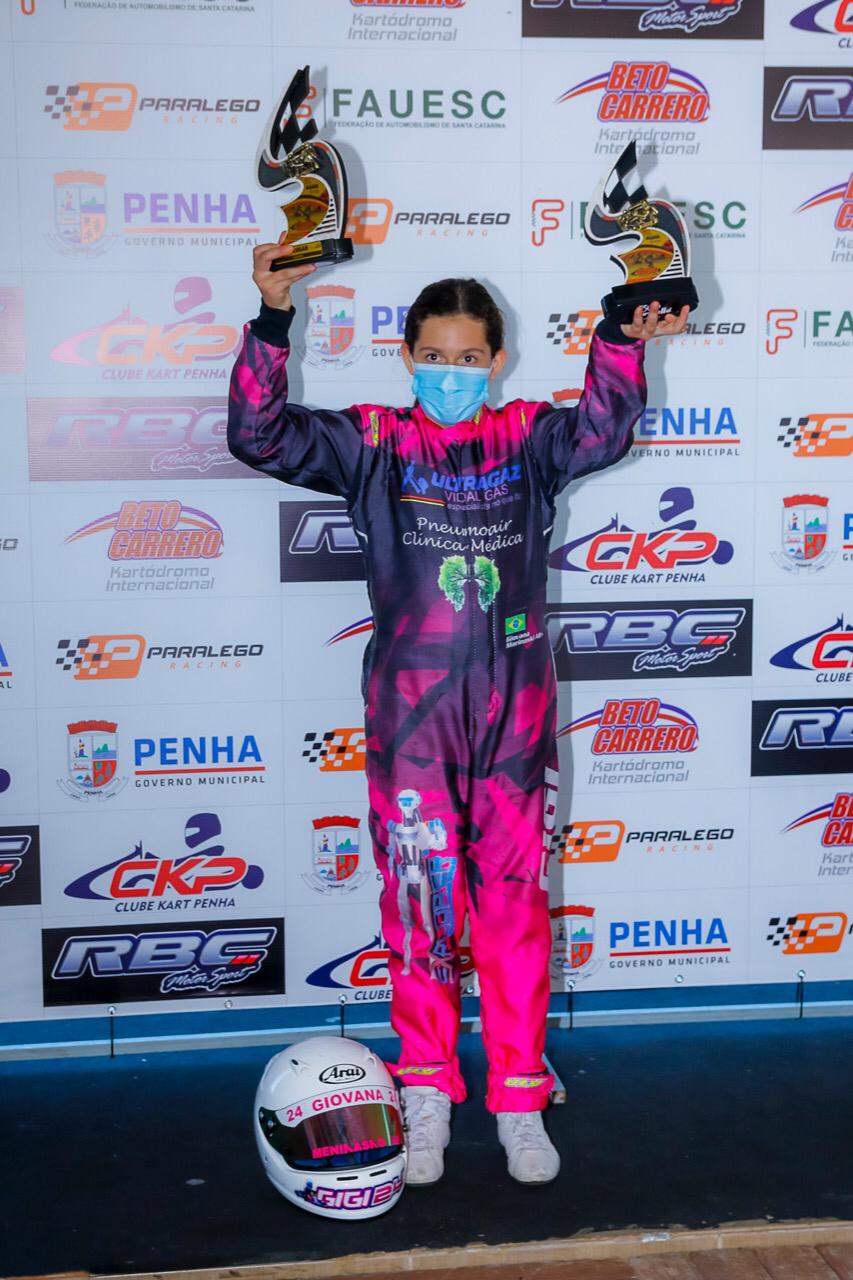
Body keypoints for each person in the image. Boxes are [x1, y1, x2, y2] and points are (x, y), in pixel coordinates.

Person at [228, 239, 688, 1188]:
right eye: (434, 357)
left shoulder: (527, 436)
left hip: (514, 713)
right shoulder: (373, 442)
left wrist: (618, 333)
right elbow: (259, 436)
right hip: (411, 716)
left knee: (514, 909)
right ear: (406, 357)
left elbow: (604, 430)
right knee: (419, 905)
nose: (451, 373)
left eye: (468, 357)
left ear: (496, 360)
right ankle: (427, 1093)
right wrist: (273, 319)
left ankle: (519, 1099)